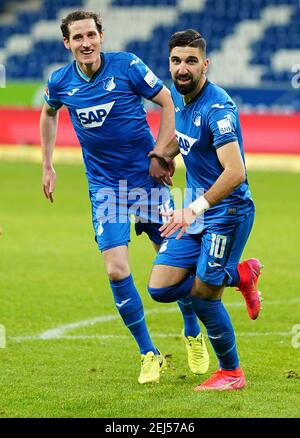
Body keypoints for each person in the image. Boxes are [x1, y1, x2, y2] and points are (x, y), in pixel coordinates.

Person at [40, 12, 209, 385]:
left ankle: (192, 332)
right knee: (116, 268)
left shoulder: (127, 66)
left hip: (146, 184)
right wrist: (47, 164)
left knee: (175, 264)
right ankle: (149, 354)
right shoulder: (60, 82)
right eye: (77, 37)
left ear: (101, 37)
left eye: (91, 35)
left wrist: (162, 155)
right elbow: (49, 113)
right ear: (67, 43)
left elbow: (168, 102)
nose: (86, 43)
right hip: (105, 190)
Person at [147, 29, 263, 391]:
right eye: (176, 61)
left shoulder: (218, 108)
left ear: (205, 65)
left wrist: (192, 208)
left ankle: (232, 373)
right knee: (160, 288)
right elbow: (185, 141)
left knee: (203, 297)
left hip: (227, 214)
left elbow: (236, 171)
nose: (183, 69)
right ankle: (240, 275)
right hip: (198, 215)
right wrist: (161, 156)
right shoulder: (183, 100)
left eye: (191, 61)